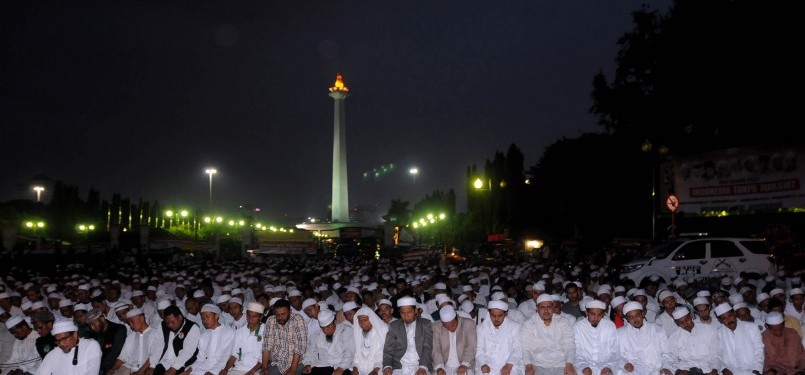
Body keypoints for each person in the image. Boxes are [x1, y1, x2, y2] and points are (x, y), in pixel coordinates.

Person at [520, 294, 575, 375]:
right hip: (537, 365)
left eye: (549, 307)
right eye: (542, 307)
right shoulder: (529, 324)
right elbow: (525, 348)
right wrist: (529, 366)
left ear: (553, 307)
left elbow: (570, 345)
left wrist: (569, 364)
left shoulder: (563, 322)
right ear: (537, 308)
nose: (546, 310)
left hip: (561, 364)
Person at [617, 301, 673, 375]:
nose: (635, 320)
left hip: (658, 368)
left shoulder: (658, 329)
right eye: (631, 317)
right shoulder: (620, 333)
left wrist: (666, 367)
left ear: (643, 314)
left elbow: (667, 352)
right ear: (627, 319)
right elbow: (617, 355)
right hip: (635, 370)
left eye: (637, 315)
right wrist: (625, 363)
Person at [382, 296, 433, 375]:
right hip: (400, 367)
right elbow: (388, 350)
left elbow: (427, 347)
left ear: (415, 310)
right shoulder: (394, 326)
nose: (406, 316)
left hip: (420, 365)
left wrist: (423, 367)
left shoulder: (425, 324)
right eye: (403, 313)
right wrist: (387, 366)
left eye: (409, 312)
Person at [667, 307, 721, 375]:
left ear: (691, 316)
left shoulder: (709, 330)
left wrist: (715, 369)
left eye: (687, 320)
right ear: (676, 323)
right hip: (686, 370)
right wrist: (677, 370)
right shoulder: (674, 337)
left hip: (708, 369)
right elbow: (671, 357)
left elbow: (717, 354)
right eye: (681, 322)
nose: (685, 324)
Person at [34, 320, 102, 375]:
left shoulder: (90, 346)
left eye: (64, 339)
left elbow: (92, 372)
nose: (61, 344)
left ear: (75, 334)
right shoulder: (53, 354)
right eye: (57, 341)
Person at [184, 304, 236, 374]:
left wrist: (213, 372)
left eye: (207, 317)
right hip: (207, 366)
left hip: (223, 368)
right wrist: (189, 370)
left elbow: (225, 357)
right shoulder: (204, 336)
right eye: (203, 318)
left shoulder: (229, 332)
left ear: (216, 316)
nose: (205, 320)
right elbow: (200, 359)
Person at [713, 303, 764, 375]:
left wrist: (757, 369)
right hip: (730, 371)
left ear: (734, 314)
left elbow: (759, 351)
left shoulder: (752, 328)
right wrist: (723, 369)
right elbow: (718, 354)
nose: (729, 320)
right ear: (721, 321)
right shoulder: (719, 332)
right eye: (724, 318)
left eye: (730, 315)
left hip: (751, 371)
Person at [107, 308, 162, 375]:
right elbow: (122, 357)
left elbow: (154, 356)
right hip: (129, 367)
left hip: (146, 369)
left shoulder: (155, 334)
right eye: (129, 323)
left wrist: (139, 372)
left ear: (141, 318)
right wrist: (112, 370)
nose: (130, 325)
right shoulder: (131, 336)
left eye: (132, 322)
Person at [475, 300, 523, 375]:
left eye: (499, 316)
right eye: (493, 315)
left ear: (505, 314)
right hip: (488, 364)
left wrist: (509, 365)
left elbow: (517, 348)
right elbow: (478, 349)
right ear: (489, 314)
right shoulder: (481, 328)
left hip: (509, 364)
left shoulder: (514, 327)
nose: (496, 319)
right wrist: (483, 364)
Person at [261, 298, 308, 375]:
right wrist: (264, 367)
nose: (280, 318)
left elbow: (300, 347)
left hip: (296, 362)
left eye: (283, 314)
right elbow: (267, 346)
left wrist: (292, 369)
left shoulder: (298, 320)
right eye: (277, 315)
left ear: (290, 311)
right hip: (277, 363)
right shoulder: (270, 320)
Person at [302, 308, 354, 375]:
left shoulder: (346, 330)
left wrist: (341, 368)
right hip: (322, 366)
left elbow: (349, 352)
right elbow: (310, 352)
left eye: (328, 326)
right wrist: (307, 364)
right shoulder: (316, 335)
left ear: (335, 321)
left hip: (340, 365)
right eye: (322, 328)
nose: (325, 330)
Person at [152, 305, 201, 375]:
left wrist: (173, 368)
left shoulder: (192, 327)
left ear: (180, 317)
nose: (170, 325)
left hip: (184, 363)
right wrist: (152, 366)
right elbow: (158, 346)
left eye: (172, 322)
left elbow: (188, 352)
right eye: (167, 323)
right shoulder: (163, 325)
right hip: (166, 362)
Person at [573, 300, 619, 375]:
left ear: (603, 314)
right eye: (593, 314)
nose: (596, 318)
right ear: (587, 313)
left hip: (606, 365)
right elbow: (575, 352)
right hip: (584, 364)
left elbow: (615, 351)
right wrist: (584, 367)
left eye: (599, 315)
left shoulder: (609, 326)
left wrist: (608, 367)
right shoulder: (578, 327)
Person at [222, 302, 266, 375]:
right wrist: (225, 369)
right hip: (238, 369)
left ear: (260, 317)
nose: (250, 319)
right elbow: (234, 354)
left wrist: (252, 371)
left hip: (256, 370)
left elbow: (263, 358)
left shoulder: (266, 331)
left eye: (254, 316)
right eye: (248, 316)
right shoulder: (240, 332)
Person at [432, 305, 476, 375]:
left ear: (457, 318)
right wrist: (439, 367)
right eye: (446, 327)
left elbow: (471, 346)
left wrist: (464, 364)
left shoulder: (468, 324)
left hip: (465, 364)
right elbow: (435, 349)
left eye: (453, 325)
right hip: (444, 365)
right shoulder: (436, 327)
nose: (450, 329)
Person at [87, 308, 129, 374]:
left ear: (102, 319)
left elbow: (115, 352)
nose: (92, 327)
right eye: (90, 325)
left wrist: (101, 369)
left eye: (94, 324)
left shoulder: (118, 329)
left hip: (114, 367)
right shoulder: (92, 334)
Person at [351, 306, 388, 375]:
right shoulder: (359, 333)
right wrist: (355, 368)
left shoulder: (381, 332)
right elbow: (357, 354)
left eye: (365, 320)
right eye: (360, 321)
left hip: (378, 369)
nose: (362, 323)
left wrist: (375, 370)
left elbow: (382, 355)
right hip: (361, 369)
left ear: (371, 319)